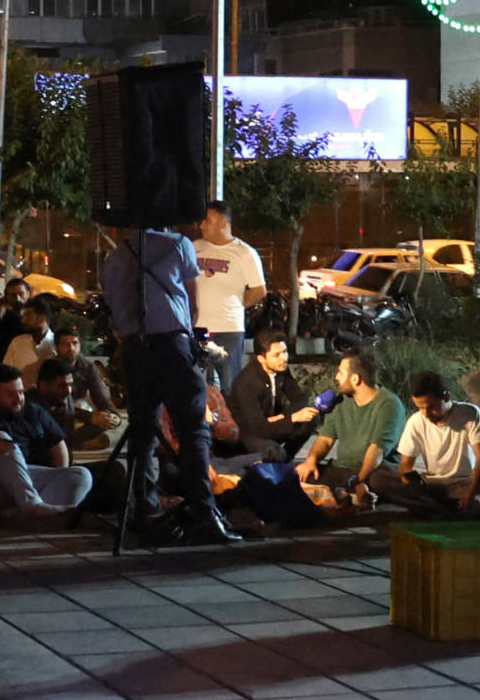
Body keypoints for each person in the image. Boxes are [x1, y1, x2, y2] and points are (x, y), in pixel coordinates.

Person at [101, 226, 238, 544]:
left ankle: (145, 507)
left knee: (143, 431)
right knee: (193, 430)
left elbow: (114, 311)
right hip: (172, 345)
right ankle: (204, 513)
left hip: (135, 348)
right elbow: (192, 305)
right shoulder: (178, 244)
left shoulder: (115, 257)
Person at [0, 371, 95, 528]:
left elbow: (58, 446)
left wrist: (58, 481)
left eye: (21, 392)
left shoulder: (34, 411)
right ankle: (32, 507)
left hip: (23, 480)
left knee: (80, 474)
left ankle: (28, 515)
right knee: (2, 439)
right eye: (11, 394)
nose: (18, 398)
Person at [295, 352, 405, 512]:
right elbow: (325, 440)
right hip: (344, 470)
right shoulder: (340, 401)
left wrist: (358, 481)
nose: (337, 377)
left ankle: (350, 492)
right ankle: (352, 493)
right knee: (300, 472)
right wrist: (310, 461)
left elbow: (376, 451)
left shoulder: (388, 404)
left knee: (379, 481)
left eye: (341, 372)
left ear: (355, 379)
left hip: (375, 470)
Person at [377, 372, 480, 516]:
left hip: (462, 484)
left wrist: (471, 493)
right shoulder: (416, 421)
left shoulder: (470, 414)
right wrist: (409, 479)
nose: (426, 413)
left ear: (446, 397)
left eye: (431, 407)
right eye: (420, 408)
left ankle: (436, 509)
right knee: (380, 477)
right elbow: (405, 465)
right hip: (431, 485)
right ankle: (445, 510)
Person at [190, 201, 268, 388]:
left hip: (228, 330)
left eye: (207, 221)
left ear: (223, 223)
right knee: (197, 383)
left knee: (228, 383)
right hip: (197, 328)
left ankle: (231, 417)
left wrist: (235, 306)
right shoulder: (194, 248)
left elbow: (259, 290)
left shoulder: (245, 253)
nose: (201, 226)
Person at [227, 332, 319, 462]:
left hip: (271, 425)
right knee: (272, 450)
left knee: (311, 419)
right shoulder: (247, 382)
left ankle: (285, 461)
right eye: (276, 355)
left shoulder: (281, 370)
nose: (284, 358)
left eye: (285, 352)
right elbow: (258, 430)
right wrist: (291, 419)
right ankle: (276, 465)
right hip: (247, 435)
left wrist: (284, 418)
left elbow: (299, 398)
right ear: (261, 358)